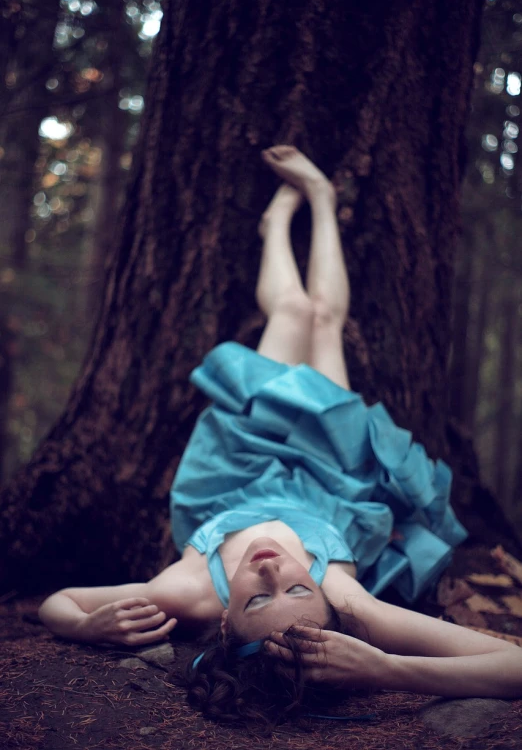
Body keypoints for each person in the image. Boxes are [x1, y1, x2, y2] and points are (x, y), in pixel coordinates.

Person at [39, 146, 522, 729]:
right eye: (294, 591)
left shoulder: (185, 591)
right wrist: (385, 668)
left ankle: (275, 225)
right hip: (331, 470)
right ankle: (320, 197)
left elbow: (57, 601)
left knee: (292, 313)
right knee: (325, 323)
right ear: (329, 608)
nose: (270, 572)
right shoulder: (352, 606)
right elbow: (513, 664)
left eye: (255, 600)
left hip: (240, 462)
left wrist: (86, 625)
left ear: (222, 621)